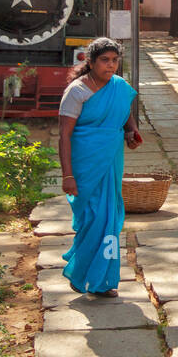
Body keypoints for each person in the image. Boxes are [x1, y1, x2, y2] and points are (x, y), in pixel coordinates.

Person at [57, 37, 143, 297]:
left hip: (111, 160)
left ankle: (104, 280)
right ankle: (81, 271)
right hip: (85, 163)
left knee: (109, 219)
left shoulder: (120, 86)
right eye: (105, 60)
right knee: (91, 219)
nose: (111, 65)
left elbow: (125, 111)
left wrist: (131, 131)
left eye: (115, 60)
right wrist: (67, 175)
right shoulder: (77, 91)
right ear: (91, 62)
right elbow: (64, 135)